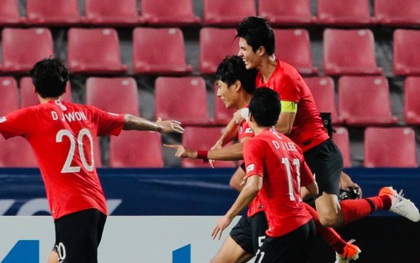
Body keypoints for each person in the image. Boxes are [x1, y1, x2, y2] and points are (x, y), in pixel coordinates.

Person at [234, 15, 420, 261]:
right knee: (245, 184)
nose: (240, 54)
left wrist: (247, 115)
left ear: (260, 49)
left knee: (329, 216)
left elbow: (285, 126)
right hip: (291, 154)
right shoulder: (259, 78)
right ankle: (341, 247)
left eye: (244, 49)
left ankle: (386, 199)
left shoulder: (284, 77)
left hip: (316, 151)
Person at [166, 55, 361, 263]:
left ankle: (354, 226)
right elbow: (238, 127)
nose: (219, 93)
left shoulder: (257, 120)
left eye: (220, 86)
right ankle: (341, 245)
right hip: (258, 209)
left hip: (267, 215)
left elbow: (247, 149)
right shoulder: (249, 113)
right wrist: (221, 141)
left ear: (237, 86)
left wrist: (200, 154)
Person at [0, 58, 184, 263]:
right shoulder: (87, 113)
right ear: (65, 86)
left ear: (34, 88)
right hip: (92, 206)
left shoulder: (33, 115)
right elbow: (126, 120)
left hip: (73, 209)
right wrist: (156, 126)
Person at [212, 87, 318, 263]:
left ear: (251, 117)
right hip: (305, 226)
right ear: (277, 118)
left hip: (283, 228)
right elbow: (313, 187)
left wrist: (228, 217)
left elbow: (253, 186)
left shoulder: (255, 144)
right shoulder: (292, 145)